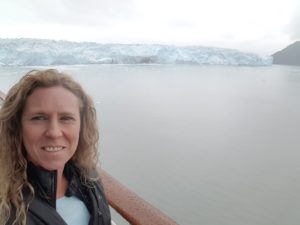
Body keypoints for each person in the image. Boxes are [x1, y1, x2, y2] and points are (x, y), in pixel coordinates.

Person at [0, 69, 111, 225]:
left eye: (66, 118)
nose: (54, 132)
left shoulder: (87, 176)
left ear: (81, 126)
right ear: (18, 127)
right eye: (38, 118)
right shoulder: (6, 206)